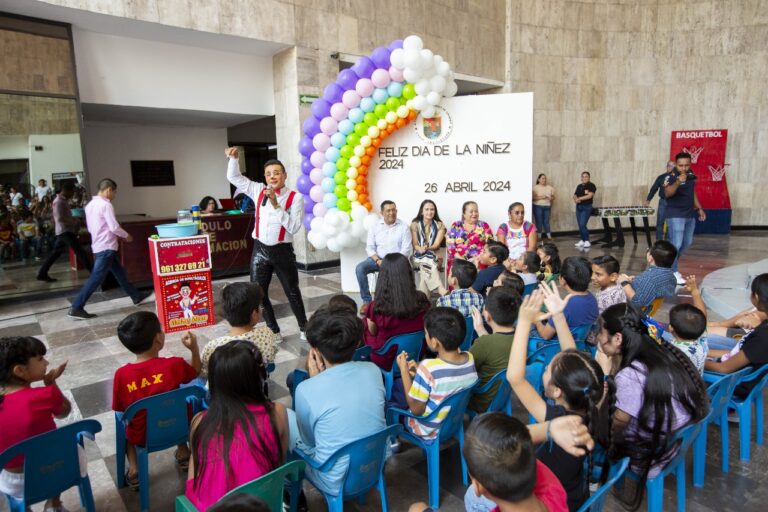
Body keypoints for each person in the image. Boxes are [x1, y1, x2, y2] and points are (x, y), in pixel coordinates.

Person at [595, 302, 709, 509]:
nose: (598, 338)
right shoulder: (662, 351)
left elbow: (612, 425)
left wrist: (604, 377)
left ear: (618, 338)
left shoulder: (631, 376)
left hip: (651, 453)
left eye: (601, 332)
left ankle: (592, 487)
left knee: (584, 430)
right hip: (676, 443)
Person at [507, 290, 607, 511]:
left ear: (557, 392)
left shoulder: (560, 421)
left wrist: (523, 323)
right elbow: (573, 357)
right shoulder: (594, 401)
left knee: (473, 498)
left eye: (547, 370)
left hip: (550, 503)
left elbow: (515, 378)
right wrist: (558, 316)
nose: (545, 371)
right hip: (573, 495)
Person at [186, 340, 289, 510]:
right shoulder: (277, 412)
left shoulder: (199, 422)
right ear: (257, 376)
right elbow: (278, 465)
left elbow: (193, 478)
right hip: (262, 504)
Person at [294, 306, 386, 495]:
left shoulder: (306, 389)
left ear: (316, 350)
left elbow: (309, 441)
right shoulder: (373, 370)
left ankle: (293, 496)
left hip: (334, 479)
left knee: (285, 422)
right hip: (376, 462)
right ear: (357, 342)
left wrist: (315, 382)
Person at [225, 147, 308, 342]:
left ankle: (304, 327)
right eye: (269, 174)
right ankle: (274, 330)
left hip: (282, 251)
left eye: (277, 173)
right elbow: (234, 178)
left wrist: (276, 205)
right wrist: (234, 159)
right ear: (264, 176)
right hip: (260, 249)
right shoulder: (257, 190)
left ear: (284, 175)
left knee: (292, 291)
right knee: (258, 293)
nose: (272, 177)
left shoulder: (295, 198)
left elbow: (294, 227)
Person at [112, 311, 201, 488]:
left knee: (127, 422)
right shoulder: (174, 365)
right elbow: (196, 371)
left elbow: (120, 408)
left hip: (143, 436)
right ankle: (184, 452)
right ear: (158, 339)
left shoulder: (121, 375)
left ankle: (135, 470)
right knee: (171, 406)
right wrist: (194, 348)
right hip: (180, 427)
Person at [0, 336, 72, 512]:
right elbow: (64, 412)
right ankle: (53, 504)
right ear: (19, 370)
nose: (46, 362)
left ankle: (24, 507)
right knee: (73, 447)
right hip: (53, 472)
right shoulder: (45, 394)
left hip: (13, 483)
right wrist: (51, 383)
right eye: (40, 359)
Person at [68, 179, 150, 319]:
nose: (115, 195)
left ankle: (136, 296)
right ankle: (76, 306)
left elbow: (91, 227)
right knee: (96, 277)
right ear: (109, 190)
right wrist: (126, 235)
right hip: (106, 246)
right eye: (115, 192)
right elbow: (113, 227)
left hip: (100, 244)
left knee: (119, 272)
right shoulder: (106, 205)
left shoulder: (90, 205)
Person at [394, 307, 478, 439]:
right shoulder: (469, 358)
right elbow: (443, 377)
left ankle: (394, 442)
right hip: (453, 422)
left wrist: (404, 371)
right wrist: (421, 374)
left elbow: (416, 410)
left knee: (393, 403)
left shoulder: (428, 367)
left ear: (434, 342)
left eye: (426, 334)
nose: (425, 336)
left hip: (429, 430)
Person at [705, 273, 768, 399]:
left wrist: (696, 361)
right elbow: (738, 354)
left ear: (756, 296)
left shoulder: (762, 336)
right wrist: (705, 353)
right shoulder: (763, 329)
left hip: (730, 385)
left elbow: (723, 369)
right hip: (741, 378)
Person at [363, 253, 430, 369]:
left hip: (387, 359)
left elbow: (372, 331)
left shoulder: (376, 306)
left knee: (364, 326)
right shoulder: (422, 300)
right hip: (416, 353)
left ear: (383, 277)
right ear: (408, 274)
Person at [200, 282, 278, 379]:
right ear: (254, 315)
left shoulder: (212, 347)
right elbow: (271, 357)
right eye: (259, 306)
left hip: (223, 392)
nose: (261, 308)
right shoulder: (266, 334)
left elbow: (206, 371)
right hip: (257, 388)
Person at [468, 286, 521, 413]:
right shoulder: (521, 339)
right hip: (503, 396)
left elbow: (465, 368)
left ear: (487, 315)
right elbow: (495, 346)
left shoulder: (484, 343)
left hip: (480, 401)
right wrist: (480, 329)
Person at [356, 200, 412, 314]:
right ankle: (367, 301)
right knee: (360, 268)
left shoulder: (404, 226)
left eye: (394, 210)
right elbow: (370, 248)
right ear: (382, 212)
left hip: (396, 261)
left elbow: (406, 249)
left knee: (404, 268)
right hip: (378, 259)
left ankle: (399, 300)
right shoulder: (375, 227)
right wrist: (377, 260)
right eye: (388, 210)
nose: (392, 213)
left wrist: (393, 263)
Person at [663, 152, 706, 282]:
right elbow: (668, 194)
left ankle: (666, 264)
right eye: (681, 165)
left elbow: (692, 193)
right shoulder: (670, 176)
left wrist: (699, 208)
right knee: (676, 244)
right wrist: (677, 182)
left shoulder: (691, 175)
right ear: (676, 164)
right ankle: (674, 272)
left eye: (686, 165)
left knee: (687, 243)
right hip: (675, 215)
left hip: (689, 214)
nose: (684, 168)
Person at [37, 183, 92, 282]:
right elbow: (59, 219)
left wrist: (73, 219)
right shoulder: (58, 202)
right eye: (72, 192)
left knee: (55, 253)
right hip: (65, 231)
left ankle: (42, 273)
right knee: (80, 252)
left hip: (64, 231)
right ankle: (94, 272)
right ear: (67, 190)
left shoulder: (62, 201)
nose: (72, 194)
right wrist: (74, 221)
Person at [533, 257, 598, 340]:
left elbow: (546, 335)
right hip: (580, 343)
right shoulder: (592, 298)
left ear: (563, 280)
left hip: (557, 346)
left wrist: (536, 320)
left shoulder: (567, 305)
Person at [617, 240, 677, 309]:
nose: (647, 250)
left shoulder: (649, 279)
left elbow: (637, 302)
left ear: (650, 258)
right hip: (650, 310)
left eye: (648, 250)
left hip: (629, 312)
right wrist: (636, 280)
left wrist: (624, 283)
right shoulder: (672, 278)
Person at [445, 201, 493, 277]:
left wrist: (478, 258)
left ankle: (478, 288)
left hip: (479, 260)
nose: (474, 213)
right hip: (459, 260)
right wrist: (461, 259)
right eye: (471, 211)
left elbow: (490, 244)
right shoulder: (456, 225)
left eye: (476, 211)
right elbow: (450, 245)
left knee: (481, 269)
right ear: (464, 214)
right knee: (457, 269)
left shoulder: (484, 225)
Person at [668, 302, 708, 374]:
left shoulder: (674, 351)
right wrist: (695, 292)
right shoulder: (702, 338)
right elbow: (703, 316)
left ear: (671, 328)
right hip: (696, 381)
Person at [644, 161, 676, 241]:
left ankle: (668, 241)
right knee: (660, 222)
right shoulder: (661, 177)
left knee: (670, 223)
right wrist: (648, 200)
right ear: (667, 166)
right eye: (669, 166)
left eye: (673, 166)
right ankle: (659, 241)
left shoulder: (677, 178)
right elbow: (654, 189)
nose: (671, 167)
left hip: (673, 202)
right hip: (663, 201)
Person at [572, 172, 596, 248]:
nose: (584, 178)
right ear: (581, 178)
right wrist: (576, 199)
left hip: (587, 207)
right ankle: (582, 240)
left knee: (582, 224)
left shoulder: (591, 185)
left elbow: (590, 195)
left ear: (589, 178)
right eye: (583, 176)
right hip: (579, 207)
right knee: (580, 225)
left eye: (586, 176)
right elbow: (575, 195)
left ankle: (587, 241)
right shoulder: (579, 186)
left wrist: (579, 198)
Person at [532, 173, 555, 240]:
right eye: (542, 178)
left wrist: (552, 198)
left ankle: (549, 236)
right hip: (537, 206)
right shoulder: (535, 188)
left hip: (547, 207)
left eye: (545, 178)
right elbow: (533, 198)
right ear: (538, 179)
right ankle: (539, 237)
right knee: (539, 221)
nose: (544, 180)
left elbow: (553, 197)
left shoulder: (550, 187)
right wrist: (543, 197)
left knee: (546, 222)